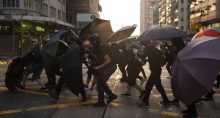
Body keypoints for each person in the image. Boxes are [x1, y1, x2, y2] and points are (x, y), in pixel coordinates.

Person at [85, 34, 117, 107]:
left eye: (91, 42)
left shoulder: (101, 49)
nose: (90, 44)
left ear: (95, 42)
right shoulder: (97, 48)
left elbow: (108, 60)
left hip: (110, 67)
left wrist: (99, 67)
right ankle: (111, 95)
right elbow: (99, 58)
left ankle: (101, 102)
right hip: (108, 67)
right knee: (102, 83)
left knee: (99, 84)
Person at [141, 42, 171, 106]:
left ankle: (145, 101)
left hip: (155, 71)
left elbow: (142, 56)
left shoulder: (148, 48)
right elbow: (154, 58)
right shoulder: (155, 50)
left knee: (148, 86)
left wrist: (135, 53)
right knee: (159, 86)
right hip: (157, 70)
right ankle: (166, 100)